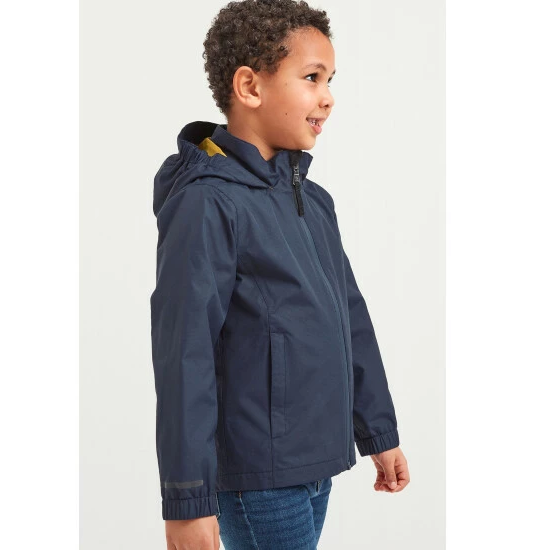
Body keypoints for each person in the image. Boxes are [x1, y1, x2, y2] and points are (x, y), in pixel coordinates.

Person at [150, 1, 411, 548]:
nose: (328, 97)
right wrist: (188, 499)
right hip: (257, 479)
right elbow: (184, 353)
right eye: (312, 77)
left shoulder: (313, 202)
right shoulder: (208, 203)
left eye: (330, 80)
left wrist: (378, 432)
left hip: (314, 466)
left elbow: (350, 319)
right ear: (250, 87)